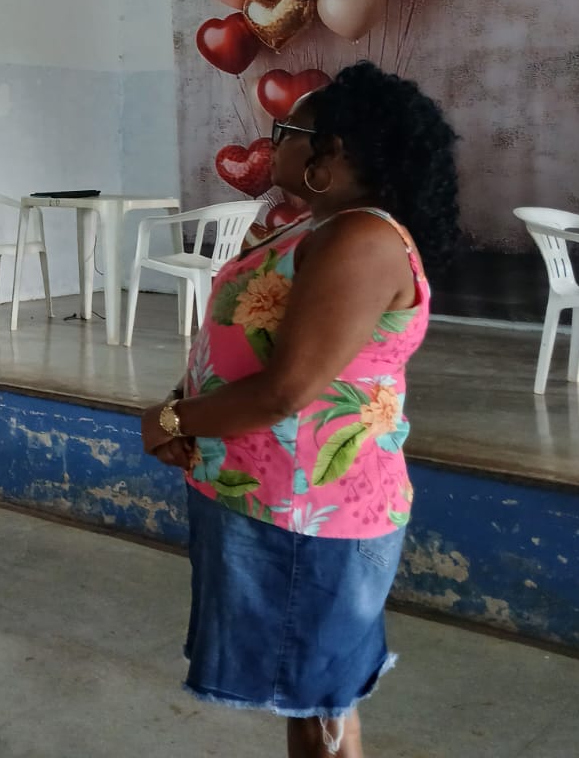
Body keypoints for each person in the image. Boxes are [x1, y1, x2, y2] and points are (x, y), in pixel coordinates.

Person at [140, 61, 459, 758]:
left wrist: (169, 422)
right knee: (314, 701)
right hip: (273, 499)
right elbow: (243, 345)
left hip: (309, 511)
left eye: (286, 130)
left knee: (318, 708)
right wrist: (182, 402)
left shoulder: (360, 240)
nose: (272, 142)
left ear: (331, 151)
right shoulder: (320, 226)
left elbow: (287, 390)